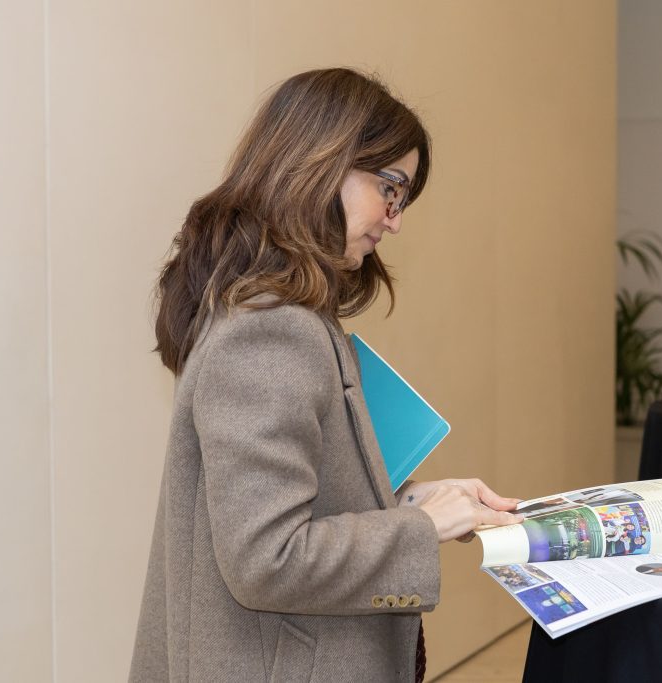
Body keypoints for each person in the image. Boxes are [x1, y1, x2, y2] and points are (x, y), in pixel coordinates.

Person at [129, 68, 522, 683]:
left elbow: (300, 504)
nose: (394, 220)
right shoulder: (270, 331)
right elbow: (268, 557)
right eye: (389, 188)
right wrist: (420, 528)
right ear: (319, 163)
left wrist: (408, 500)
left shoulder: (277, 312)